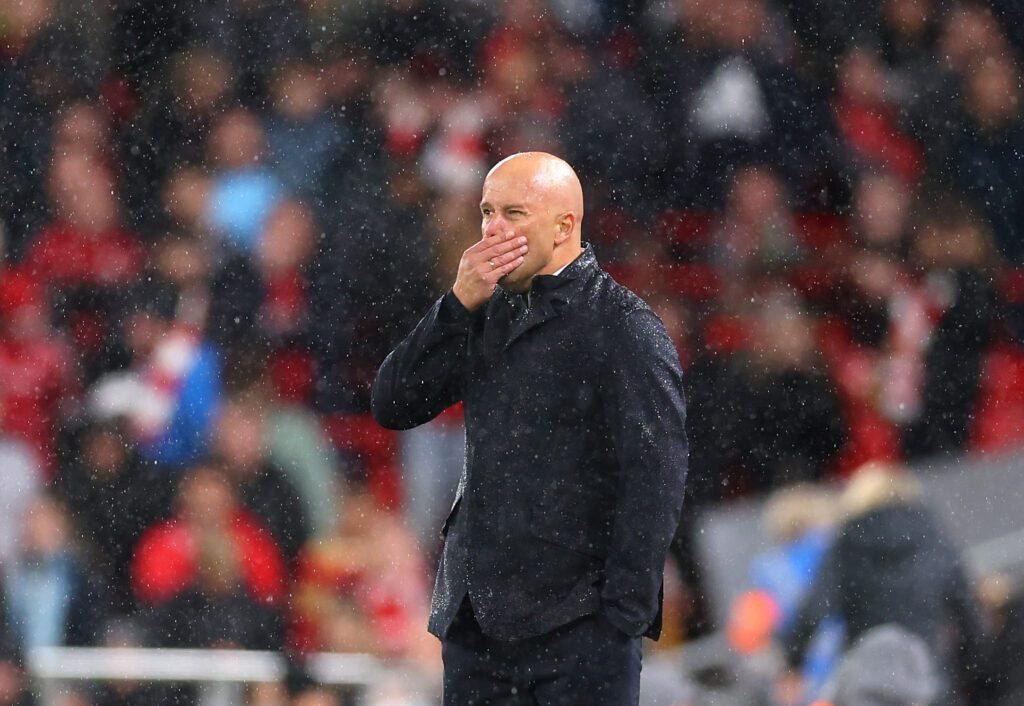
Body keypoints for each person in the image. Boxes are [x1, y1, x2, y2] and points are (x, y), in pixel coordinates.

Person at [372, 152, 688, 704]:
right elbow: (394, 403)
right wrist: (455, 304)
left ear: (565, 225)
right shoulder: (482, 312)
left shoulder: (625, 326)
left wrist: (619, 619)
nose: (492, 228)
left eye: (513, 213)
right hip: (478, 627)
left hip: (579, 627)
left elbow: (657, 476)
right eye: (486, 212)